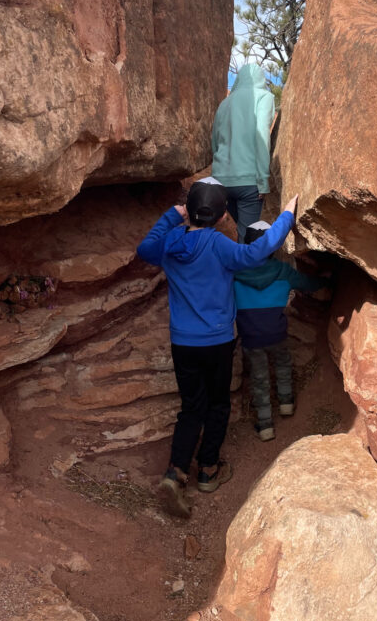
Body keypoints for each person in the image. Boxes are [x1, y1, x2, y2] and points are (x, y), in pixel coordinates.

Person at [137, 178, 299, 517]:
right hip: (218, 342)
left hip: (183, 341)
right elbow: (257, 251)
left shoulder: (170, 244)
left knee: (191, 408)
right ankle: (208, 469)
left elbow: (144, 249)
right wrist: (286, 216)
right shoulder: (220, 246)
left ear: (189, 212)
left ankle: (175, 472)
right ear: (224, 215)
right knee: (218, 405)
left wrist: (171, 217)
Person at [234, 220, 328, 441]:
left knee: (259, 377)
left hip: (250, 335)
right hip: (276, 332)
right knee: (283, 365)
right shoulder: (283, 271)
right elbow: (307, 283)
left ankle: (265, 424)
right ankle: (286, 404)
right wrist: (323, 281)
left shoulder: (235, 273)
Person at [211, 63, 275, 240]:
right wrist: (263, 179)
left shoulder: (224, 103)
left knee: (240, 228)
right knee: (247, 237)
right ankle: (245, 267)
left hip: (221, 180)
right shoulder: (264, 97)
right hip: (248, 181)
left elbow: (215, 140)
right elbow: (262, 134)